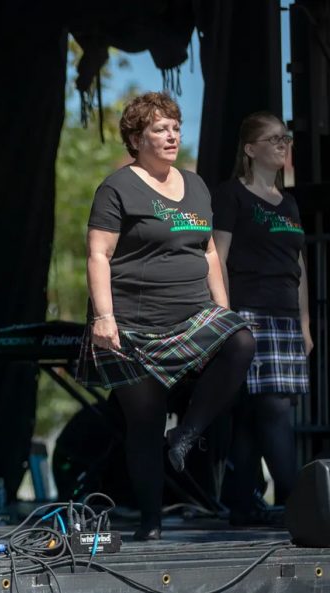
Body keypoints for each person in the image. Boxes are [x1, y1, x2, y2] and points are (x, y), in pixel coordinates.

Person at [76, 91, 255, 541]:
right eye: (160, 128)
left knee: (240, 340)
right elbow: (98, 253)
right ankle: (151, 524)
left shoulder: (195, 186)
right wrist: (103, 317)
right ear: (137, 139)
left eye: (175, 126)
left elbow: (210, 251)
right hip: (135, 322)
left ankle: (187, 435)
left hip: (192, 313)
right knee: (144, 420)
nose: (172, 134)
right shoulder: (117, 187)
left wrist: (223, 310)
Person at [213, 112, 310, 525]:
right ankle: (301, 503)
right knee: (273, 409)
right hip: (249, 314)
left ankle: (240, 504)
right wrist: (225, 318)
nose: (283, 144)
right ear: (251, 149)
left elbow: (299, 266)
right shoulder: (232, 195)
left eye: (285, 138)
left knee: (258, 414)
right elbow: (217, 258)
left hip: (286, 317)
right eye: (273, 139)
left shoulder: (289, 203)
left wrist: (305, 325)